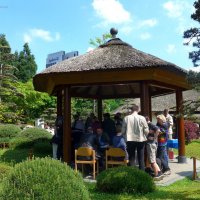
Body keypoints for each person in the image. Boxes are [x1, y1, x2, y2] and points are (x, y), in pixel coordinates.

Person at [122, 104, 149, 171]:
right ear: (138, 110)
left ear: (132, 110)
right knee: (141, 158)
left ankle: (132, 174)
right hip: (140, 139)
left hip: (130, 139)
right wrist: (145, 136)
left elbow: (123, 131)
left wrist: (125, 136)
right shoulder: (142, 118)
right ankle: (142, 174)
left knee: (131, 158)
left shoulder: (126, 118)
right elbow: (146, 130)